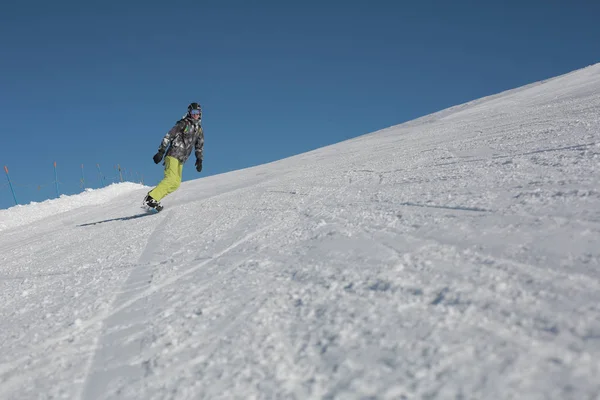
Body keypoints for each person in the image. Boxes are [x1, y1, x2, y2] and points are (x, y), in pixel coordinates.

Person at [143, 102, 204, 211]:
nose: (195, 114)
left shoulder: (199, 129)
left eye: (197, 112)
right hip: (173, 154)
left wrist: (199, 159)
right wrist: (161, 151)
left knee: (176, 183)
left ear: (200, 114)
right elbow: (169, 135)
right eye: (193, 112)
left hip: (182, 159)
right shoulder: (183, 123)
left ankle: (154, 198)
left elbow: (199, 145)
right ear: (189, 112)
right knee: (170, 178)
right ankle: (151, 197)